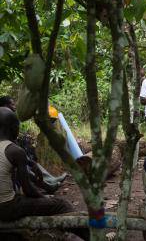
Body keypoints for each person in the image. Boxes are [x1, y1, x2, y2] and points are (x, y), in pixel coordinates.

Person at [0, 107, 88, 240]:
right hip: (7, 208)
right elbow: (28, 189)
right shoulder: (15, 151)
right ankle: (88, 236)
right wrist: (44, 198)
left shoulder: (11, 151)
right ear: (14, 129)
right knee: (61, 205)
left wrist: (30, 163)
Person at [0, 97, 66, 193]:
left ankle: (50, 180)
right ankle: (47, 186)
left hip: (10, 155)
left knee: (29, 160)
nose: (15, 107)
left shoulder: (8, 119)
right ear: (5, 106)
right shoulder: (4, 122)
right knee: (25, 166)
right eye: (12, 104)